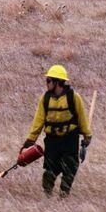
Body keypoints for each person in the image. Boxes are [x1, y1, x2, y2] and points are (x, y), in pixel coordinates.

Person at [21, 65, 92, 197]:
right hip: (52, 140)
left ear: (58, 82)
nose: (46, 83)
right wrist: (31, 139)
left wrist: (87, 135)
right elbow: (38, 120)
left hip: (70, 139)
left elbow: (82, 117)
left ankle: (64, 194)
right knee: (50, 169)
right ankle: (47, 194)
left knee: (70, 168)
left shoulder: (74, 98)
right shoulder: (45, 99)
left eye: (48, 80)